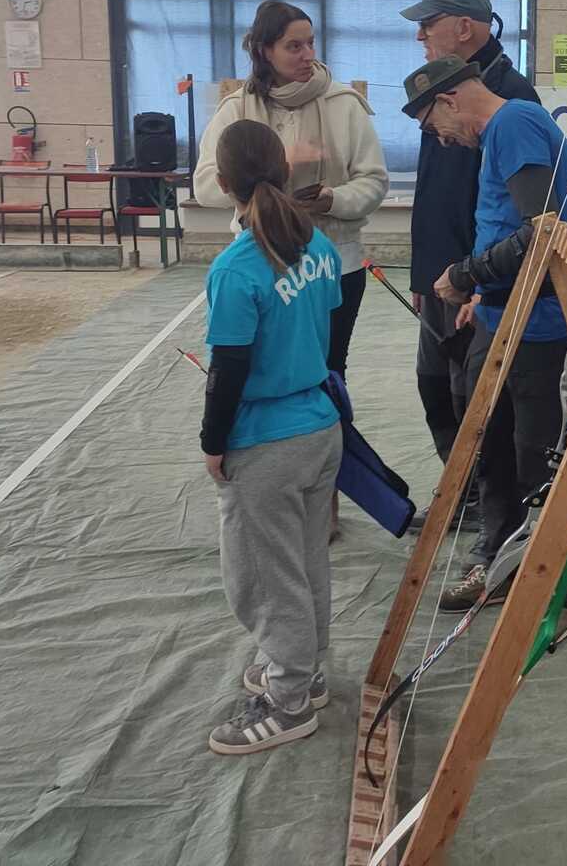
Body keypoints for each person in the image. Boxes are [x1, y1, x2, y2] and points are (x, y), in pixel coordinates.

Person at [402, 54, 567, 639]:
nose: (440, 138)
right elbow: (509, 224)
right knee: (494, 448)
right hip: (501, 314)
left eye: (433, 124)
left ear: (450, 99)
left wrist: (467, 273)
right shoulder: (501, 134)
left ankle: (559, 595)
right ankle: (499, 562)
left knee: (537, 463)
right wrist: (481, 292)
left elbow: (543, 231)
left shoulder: (515, 123)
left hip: (537, 328)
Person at [195, 0, 387, 537]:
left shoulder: (344, 105)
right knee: (257, 374)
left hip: (333, 262)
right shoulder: (236, 109)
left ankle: (324, 500)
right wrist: (278, 166)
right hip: (261, 267)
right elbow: (206, 184)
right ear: (264, 50)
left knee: (326, 376)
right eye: (293, 46)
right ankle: (268, 487)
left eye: (310, 43)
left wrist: (332, 199)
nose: (307, 55)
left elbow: (374, 183)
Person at [199, 119, 343, 755]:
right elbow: (327, 334)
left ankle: (288, 702)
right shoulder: (320, 245)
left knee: (264, 577)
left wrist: (213, 442)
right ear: (284, 174)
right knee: (305, 563)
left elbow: (228, 368)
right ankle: (305, 673)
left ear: (222, 182)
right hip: (320, 430)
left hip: (267, 446)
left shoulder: (236, 268)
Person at [399, 0, 538, 529]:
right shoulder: (442, 86)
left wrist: (479, 285)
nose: (420, 37)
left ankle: (485, 502)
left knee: (474, 398)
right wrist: (424, 274)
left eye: (427, 25)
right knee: (435, 386)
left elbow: (520, 216)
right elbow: (435, 191)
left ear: (464, 27)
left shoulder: (512, 101)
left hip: (478, 282)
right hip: (441, 276)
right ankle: (465, 491)